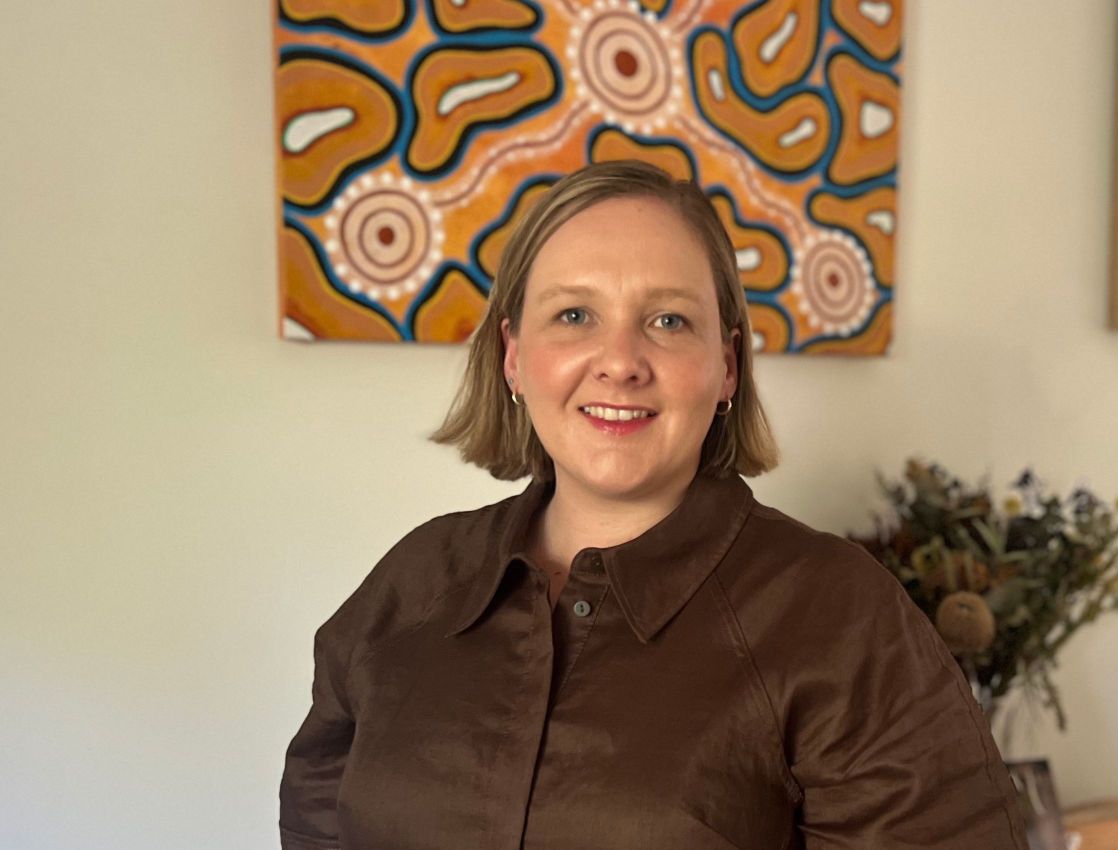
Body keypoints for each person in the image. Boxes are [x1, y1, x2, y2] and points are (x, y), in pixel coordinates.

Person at [279, 159, 1030, 849]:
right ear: (512, 356)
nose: (620, 363)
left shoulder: (840, 615)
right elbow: (318, 817)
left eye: (668, 320)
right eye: (574, 315)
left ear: (726, 366)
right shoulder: (415, 579)